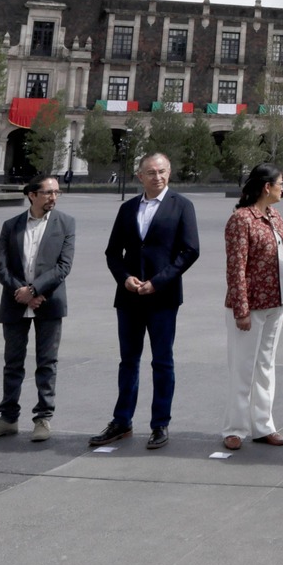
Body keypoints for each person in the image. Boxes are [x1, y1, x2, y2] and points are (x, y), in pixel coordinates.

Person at [92, 152, 201, 450]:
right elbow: (113, 252)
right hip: (129, 297)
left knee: (162, 361)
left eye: (162, 171)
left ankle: (160, 424)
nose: (157, 177)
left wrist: (159, 282)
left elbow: (190, 251)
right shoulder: (128, 208)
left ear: (169, 173)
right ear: (140, 176)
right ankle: (121, 421)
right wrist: (124, 278)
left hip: (163, 297)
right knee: (128, 361)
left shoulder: (181, 206)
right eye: (151, 172)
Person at [0, 175, 74, 443]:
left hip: (49, 303)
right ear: (32, 195)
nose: (53, 197)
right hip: (14, 303)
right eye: (48, 192)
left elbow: (63, 267)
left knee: (47, 362)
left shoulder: (65, 223)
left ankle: (43, 418)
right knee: (13, 363)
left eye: (57, 192)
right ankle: (8, 419)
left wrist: (34, 291)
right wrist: (21, 292)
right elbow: (2, 267)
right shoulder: (11, 226)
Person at [221, 163, 283, 451]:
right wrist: (241, 309)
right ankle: (235, 428)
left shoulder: (274, 216)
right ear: (267, 187)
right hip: (249, 307)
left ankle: (263, 425)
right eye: (280, 183)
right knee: (242, 367)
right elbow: (236, 267)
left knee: (265, 366)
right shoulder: (242, 219)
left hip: (275, 305)